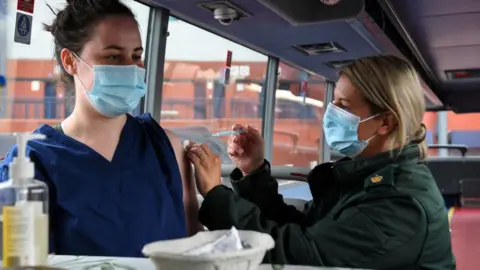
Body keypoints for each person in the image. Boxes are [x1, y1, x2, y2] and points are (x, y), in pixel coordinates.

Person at [187, 55, 455, 269]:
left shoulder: (399, 202)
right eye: (333, 102)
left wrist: (214, 195)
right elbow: (306, 231)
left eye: (344, 106)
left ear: (385, 122)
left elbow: (298, 257)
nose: (331, 113)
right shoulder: (364, 176)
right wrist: (253, 171)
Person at [0, 0, 202, 257]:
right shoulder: (32, 161)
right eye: (113, 56)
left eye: (136, 56)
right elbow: (25, 260)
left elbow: (193, 245)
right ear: (70, 62)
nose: (131, 67)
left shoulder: (165, 146)